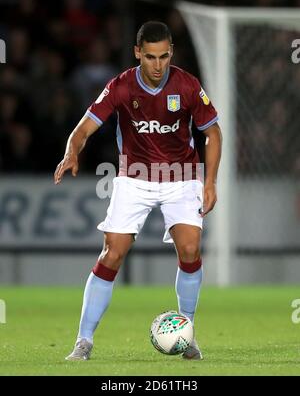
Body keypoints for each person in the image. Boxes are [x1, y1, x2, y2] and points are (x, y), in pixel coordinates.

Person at [54, 21, 222, 361]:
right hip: (135, 177)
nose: (158, 66)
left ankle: (186, 332)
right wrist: (72, 151)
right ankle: (83, 341)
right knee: (112, 253)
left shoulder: (188, 86)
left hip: (182, 176)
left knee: (190, 248)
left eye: (164, 57)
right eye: (150, 57)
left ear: (171, 53)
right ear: (137, 54)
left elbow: (213, 133)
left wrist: (210, 181)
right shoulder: (121, 87)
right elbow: (84, 127)